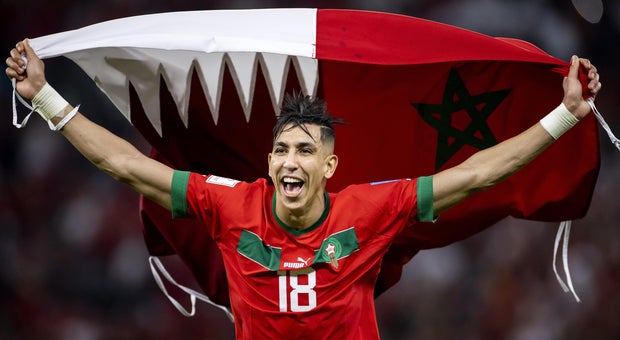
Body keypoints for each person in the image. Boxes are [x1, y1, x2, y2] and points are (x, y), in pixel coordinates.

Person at [6, 38, 602, 339]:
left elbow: (476, 174)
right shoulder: (230, 204)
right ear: (268, 162)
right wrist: (45, 98)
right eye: (283, 150)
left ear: (330, 168)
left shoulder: (370, 210)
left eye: (305, 151)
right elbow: (127, 166)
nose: (291, 161)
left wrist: (565, 117)